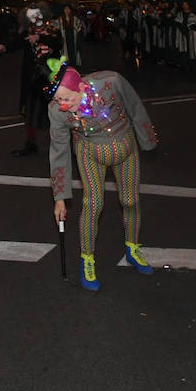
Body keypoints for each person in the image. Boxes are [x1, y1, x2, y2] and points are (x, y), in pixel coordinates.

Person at [48, 64, 159, 292]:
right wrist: (59, 196)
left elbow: (135, 107)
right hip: (90, 153)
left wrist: (147, 141)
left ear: (80, 87)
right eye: (58, 100)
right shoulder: (56, 111)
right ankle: (87, 260)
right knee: (93, 204)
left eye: (67, 98)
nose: (63, 105)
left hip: (125, 147)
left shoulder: (111, 82)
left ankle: (132, 248)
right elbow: (59, 151)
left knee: (130, 200)